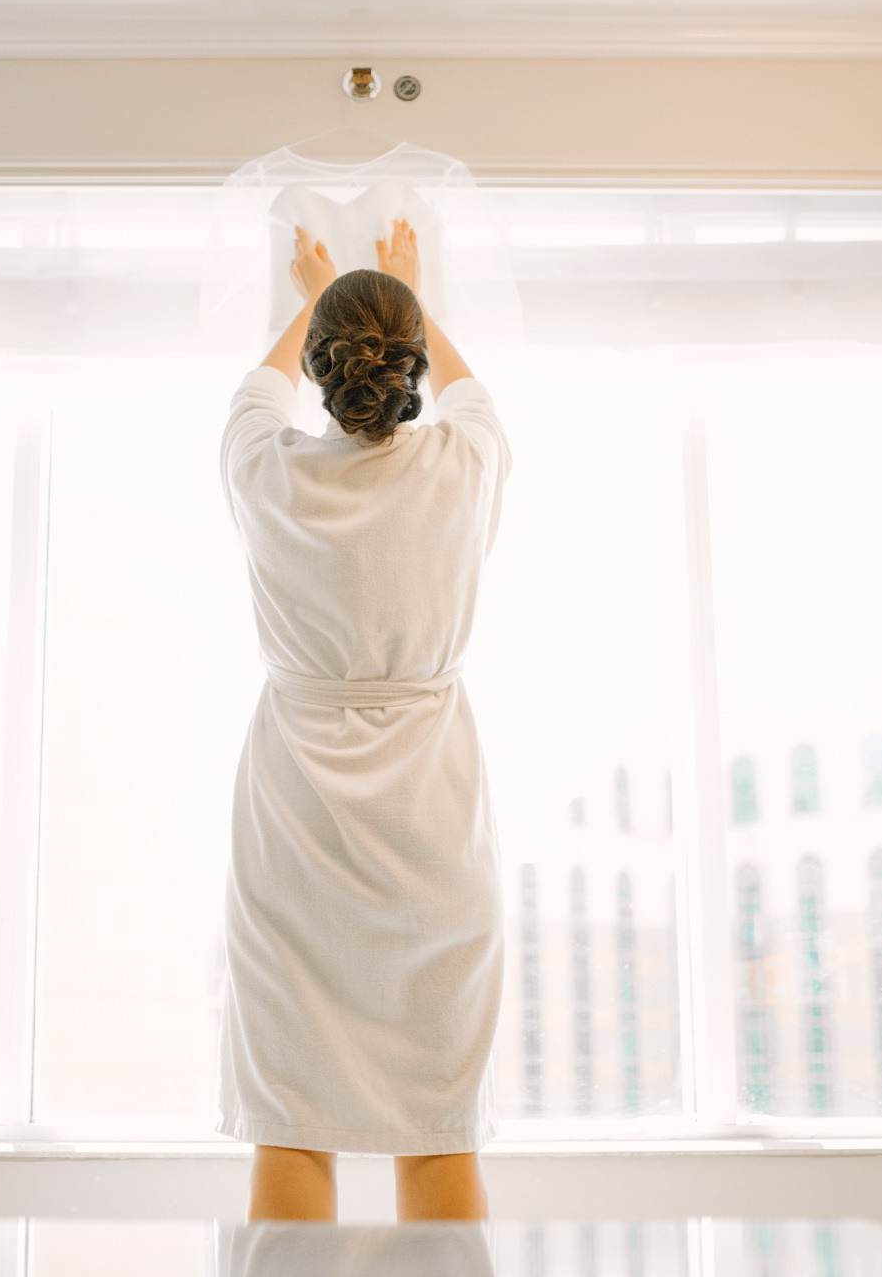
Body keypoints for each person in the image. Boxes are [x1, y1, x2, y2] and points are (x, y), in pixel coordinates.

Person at [218, 219, 511, 1222]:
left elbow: (254, 396)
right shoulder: (464, 465)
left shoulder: (264, 470)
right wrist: (406, 290)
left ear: (319, 366)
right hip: (434, 817)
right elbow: (470, 397)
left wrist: (312, 291)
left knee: (291, 1118)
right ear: (414, 361)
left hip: (293, 817)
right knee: (436, 1125)